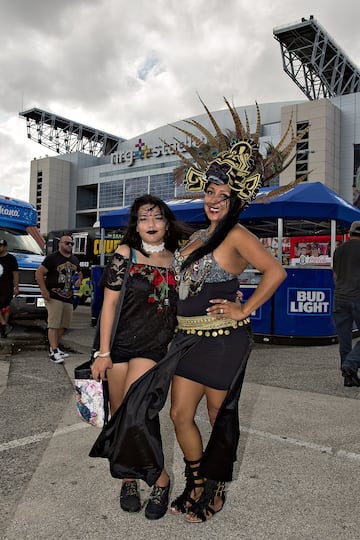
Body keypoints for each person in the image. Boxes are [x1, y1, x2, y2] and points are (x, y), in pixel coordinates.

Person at [90, 96, 306, 524]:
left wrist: (244, 310)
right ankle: (196, 481)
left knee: (215, 415)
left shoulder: (237, 234)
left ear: (237, 200)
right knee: (178, 414)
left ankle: (215, 487)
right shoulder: (191, 239)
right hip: (186, 341)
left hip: (224, 340)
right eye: (210, 191)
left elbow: (275, 272)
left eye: (224, 195)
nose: (214, 200)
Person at [90, 194, 190, 520]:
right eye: (144, 218)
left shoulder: (177, 261)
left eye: (157, 217)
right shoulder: (124, 255)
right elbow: (108, 305)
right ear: (136, 224)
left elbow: (185, 305)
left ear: (166, 223)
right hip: (119, 345)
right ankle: (129, 479)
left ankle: (160, 479)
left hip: (154, 347)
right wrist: (103, 352)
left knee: (137, 414)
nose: (150, 224)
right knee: (120, 416)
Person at [35, 235, 82, 363]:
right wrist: (44, 291)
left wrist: (79, 281)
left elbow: (79, 272)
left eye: (72, 244)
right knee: (54, 324)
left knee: (64, 325)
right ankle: (54, 351)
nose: (70, 246)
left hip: (68, 296)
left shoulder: (74, 259)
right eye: (67, 243)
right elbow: (39, 273)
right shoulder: (52, 258)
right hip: (54, 295)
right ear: (60, 244)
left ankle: (54, 347)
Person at [332, 220, 360, 387]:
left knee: (345, 339)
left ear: (350, 233)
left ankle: (348, 377)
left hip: (340, 298)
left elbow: (335, 275)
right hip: (358, 297)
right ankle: (351, 363)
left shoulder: (339, 250)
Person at [0, 238, 19, 338]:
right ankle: (3, 324)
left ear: (5, 247)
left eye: (1, 246)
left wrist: (16, 287)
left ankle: (4, 328)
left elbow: (15, 273)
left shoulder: (11, 259)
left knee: (5, 307)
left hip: (7, 286)